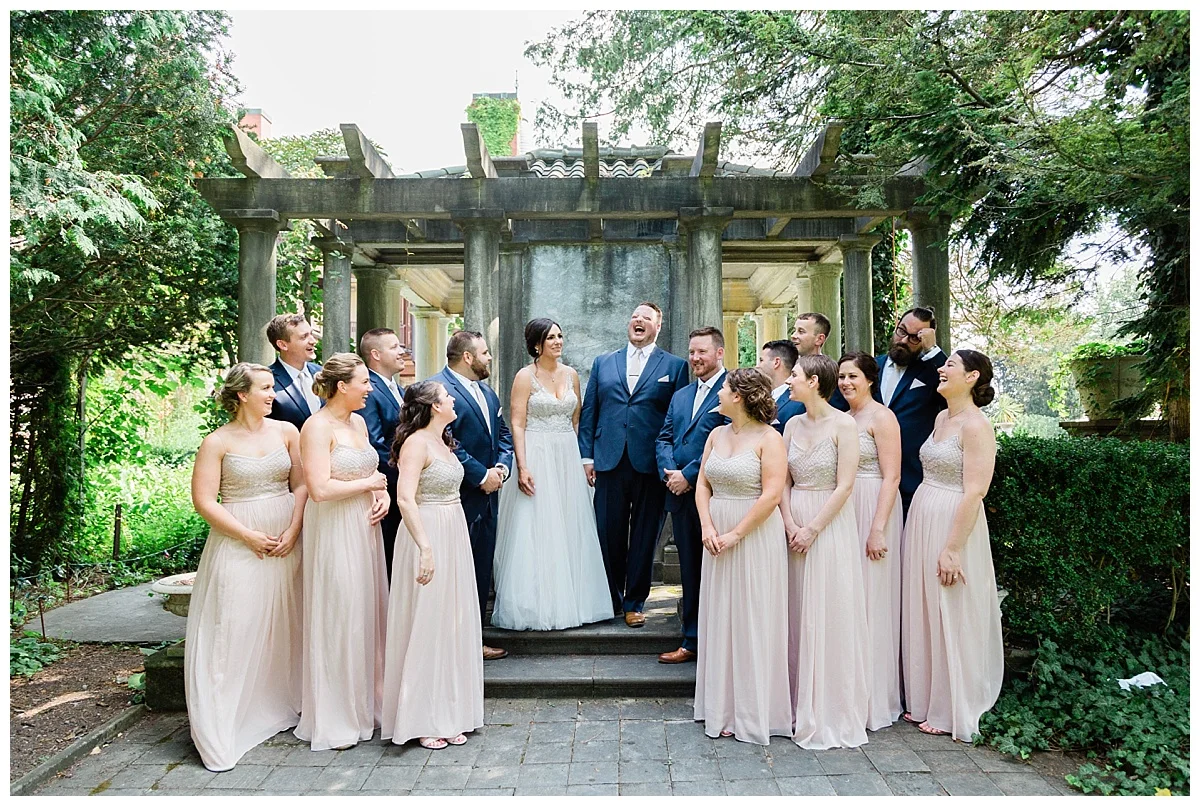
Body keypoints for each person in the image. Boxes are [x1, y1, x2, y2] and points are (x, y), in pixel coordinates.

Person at [186, 363, 306, 772]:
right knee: (234, 626)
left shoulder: (287, 432)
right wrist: (247, 535)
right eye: (265, 388)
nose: (273, 394)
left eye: (272, 387)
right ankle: (225, 723)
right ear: (242, 394)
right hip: (239, 540)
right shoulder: (216, 442)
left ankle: (280, 702)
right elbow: (204, 501)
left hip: (286, 536)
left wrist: (294, 529)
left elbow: (301, 485)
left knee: (286, 622)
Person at [901, 349, 1003, 741]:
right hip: (923, 514)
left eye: (950, 366)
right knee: (925, 608)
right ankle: (926, 698)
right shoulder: (942, 418)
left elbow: (975, 491)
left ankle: (951, 707)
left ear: (972, 377)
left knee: (951, 610)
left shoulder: (977, 426)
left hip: (953, 519)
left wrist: (953, 548)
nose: (941, 369)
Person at [381, 381, 485, 750]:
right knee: (426, 622)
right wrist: (425, 547)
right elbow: (405, 499)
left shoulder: (444, 441)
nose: (453, 399)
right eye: (447, 396)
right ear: (433, 406)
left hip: (453, 531)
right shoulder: (415, 444)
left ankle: (451, 711)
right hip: (426, 532)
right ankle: (421, 717)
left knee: (451, 623)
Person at [294, 353, 390, 751]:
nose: (369, 388)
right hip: (334, 528)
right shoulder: (316, 428)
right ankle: (337, 714)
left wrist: (382, 493)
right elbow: (319, 489)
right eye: (364, 382)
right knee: (341, 613)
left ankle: (366, 703)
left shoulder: (358, 422)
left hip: (365, 528)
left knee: (367, 613)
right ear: (341, 386)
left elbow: (371, 471)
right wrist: (371, 484)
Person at [491, 319, 613, 630]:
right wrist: (523, 466)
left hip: (566, 454)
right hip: (536, 452)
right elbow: (517, 423)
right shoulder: (524, 377)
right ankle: (536, 604)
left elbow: (576, 420)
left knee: (571, 523)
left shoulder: (571, 375)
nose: (558, 341)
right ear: (537, 344)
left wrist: (582, 459)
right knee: (538, 524)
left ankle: (577, 602)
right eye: (551, 337)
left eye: (560, 336)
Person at [692, 368, 792, 744]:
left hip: (754, 535)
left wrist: (736, 533)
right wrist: (707, 526)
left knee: (753, 616)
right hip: (716, 534)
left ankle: (753, 711)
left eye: (724, 388)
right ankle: (721, 707)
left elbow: (772, 494)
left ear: (739, 396)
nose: (718, 392)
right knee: (721, 615)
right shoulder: (716, 435)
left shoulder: (770, 438)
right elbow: (703, 484)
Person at [579, 303, 689, 627]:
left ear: (658, 326)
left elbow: (678, 417)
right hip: (609, 460)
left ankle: (634, 602)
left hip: (650, 463)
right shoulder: (603, 363)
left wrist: (672, 462)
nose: (638, 321)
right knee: (608, 532)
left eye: (646, 318)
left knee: (645, 535)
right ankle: (610, 599)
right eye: (634, 317)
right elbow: (590, 411)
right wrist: (587, 457)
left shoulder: (675, 366)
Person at [780, 353, 870, 750]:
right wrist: (789, 524)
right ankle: (794, 700)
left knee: (828, 609)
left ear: (814, 382)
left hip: (828, 525)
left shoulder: (844, 425)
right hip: (793, 522)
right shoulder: (791, 424)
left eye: (795, 375)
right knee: (796, 610)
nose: (789, 381)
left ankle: (829, 707)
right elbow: (782, 481)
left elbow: (845, 485)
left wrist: (812, 529)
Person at [431, 331, 514, 661]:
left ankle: (474, 639)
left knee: (479, 572)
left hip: (490, 498)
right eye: (485, 352)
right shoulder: (436, 390)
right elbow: (445, 440)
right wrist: (481, 476)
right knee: (451, 573)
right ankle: (448, 643)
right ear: (467, 357)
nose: (490, 358)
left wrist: (501, 470)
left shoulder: (488, 393)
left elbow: (503, 435)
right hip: (456, 498)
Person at [838, 351, 904, 731]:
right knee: (849, 600)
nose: (846, 383)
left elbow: (892, 477)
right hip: (846, 511)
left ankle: (874, 698)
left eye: (853, 376)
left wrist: (878, 528)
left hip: (875, 507)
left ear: (869, 380)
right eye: (842, 376)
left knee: (872, 600)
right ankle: (847, 691)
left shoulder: (883, 418)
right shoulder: (843, 419)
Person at [655, 327, 728, 664]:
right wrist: (671, 472)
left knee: (720, 570)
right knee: (689, 570)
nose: (695, 358)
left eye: (702, 352)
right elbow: (664, 437)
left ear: (719, 353)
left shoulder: (733, 390)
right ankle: (692, 640)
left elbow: (730, 439)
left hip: (718, 496)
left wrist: (689, 475)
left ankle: (721, 642)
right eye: (692, 352)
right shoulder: (681, 395)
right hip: (680, 497)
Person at [835, 307, 946, 517]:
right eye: (901, 331)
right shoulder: (868, 368)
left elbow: (960, 393)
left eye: (915, 337)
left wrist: (933, 351)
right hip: (861, 485)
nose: (903, 340)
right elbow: (836, 409)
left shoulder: (932, 372)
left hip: (912, 480)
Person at [359, 327, 408, 582]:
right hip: (387, 487)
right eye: (394, 347)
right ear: (376, 354)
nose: (402, 352)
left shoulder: (399, 390)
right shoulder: (369, 390)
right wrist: (407, 473)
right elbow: (373, 444)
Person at [266, 313, 323, 430]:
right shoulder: (267, 380)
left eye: (311, 334)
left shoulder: (323, 373)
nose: (313, 341)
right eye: (304, 337)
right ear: (282, 345)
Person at [756, 339, 805, 434]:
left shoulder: (798, 403)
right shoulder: (760, 396)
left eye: (761, 360)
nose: (757, 366)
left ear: (776, 362)